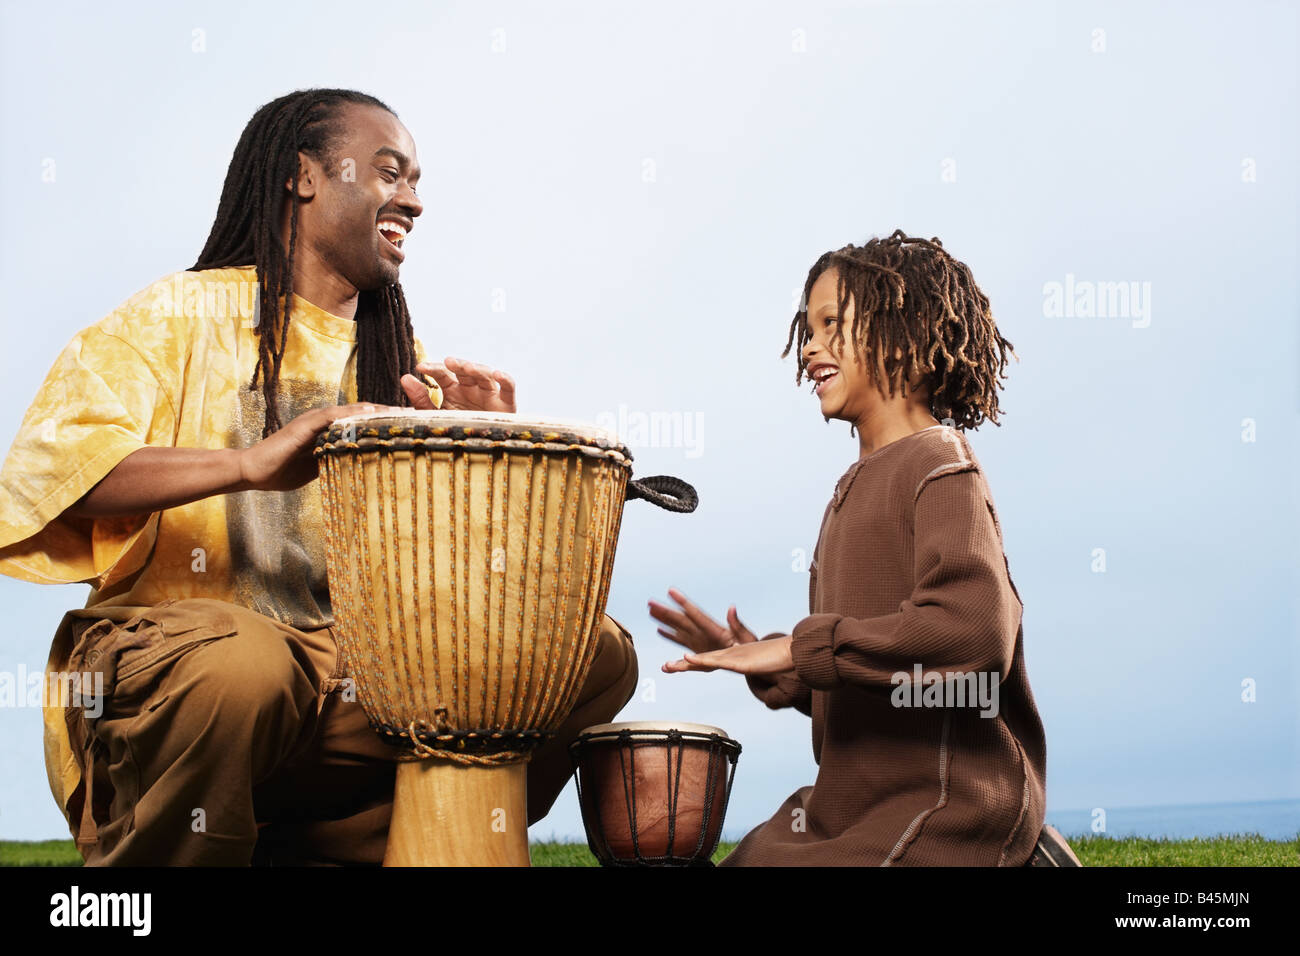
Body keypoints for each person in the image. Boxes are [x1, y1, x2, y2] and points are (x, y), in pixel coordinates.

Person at [0, 88, 638, 865]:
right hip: (169, 666)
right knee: (244, 661)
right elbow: (55, 474)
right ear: (305, 175)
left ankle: (386, 842)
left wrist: (488, 450)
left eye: (416, 180)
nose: (413, 200)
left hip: (346, 683)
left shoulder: (405, 366)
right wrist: (247, 464)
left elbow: (447, 582)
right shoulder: (173, 316)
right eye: (389, 171)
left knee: (594, 654)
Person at [652, 230, 1063, 866]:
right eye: (807, 328)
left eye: (831, 324)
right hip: (849, 804)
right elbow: (884, 674)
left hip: (944, 806)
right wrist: (783, 672)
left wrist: (803, 646)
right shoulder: (850, 492)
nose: (811, 346)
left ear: (910, 331)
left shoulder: (939, 466)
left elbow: (975, 637)